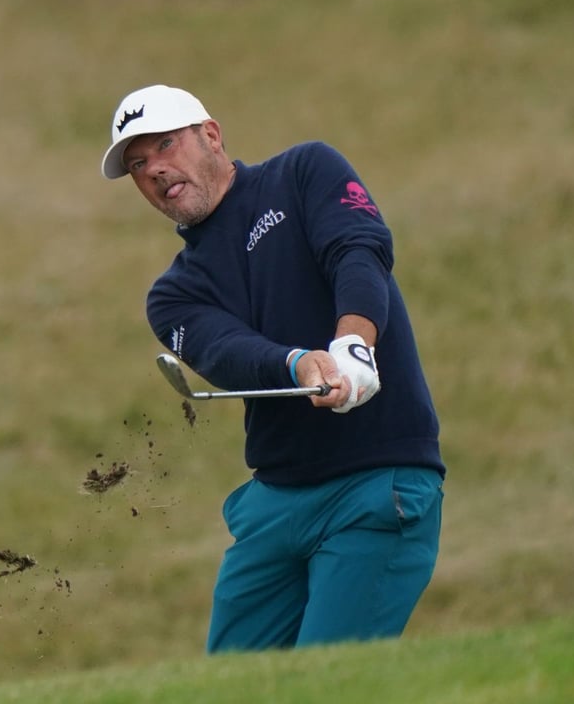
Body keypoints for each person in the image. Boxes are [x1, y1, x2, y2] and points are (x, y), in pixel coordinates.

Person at [101, 84, 445, 653]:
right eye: (138, 165)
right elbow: (228, 352)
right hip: (275, 505)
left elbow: (357, 249)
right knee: (230, 686)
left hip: (377, 484)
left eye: (165, 144)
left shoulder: (304, 172)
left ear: (211, 135)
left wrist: (353, 347)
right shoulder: (173, 295)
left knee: (324, 684)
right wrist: (299, 364)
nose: (155, 169)